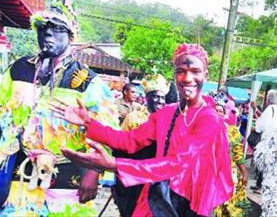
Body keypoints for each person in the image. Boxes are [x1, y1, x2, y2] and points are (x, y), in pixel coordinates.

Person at [51, 43, 233, 216]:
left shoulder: (209, 119)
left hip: (189, 203)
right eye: (181, 71)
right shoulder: (167, 113)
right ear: (174, 75)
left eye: (195, 71)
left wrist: (113, 165)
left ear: (205, 75)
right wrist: (89, 123)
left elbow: (177, 164)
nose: (187, 78)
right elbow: (129, 141)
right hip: (157, 196)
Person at [0, 0, 119, 215]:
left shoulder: (87, 81)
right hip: (21, 174)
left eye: (57, 28)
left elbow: (108, 130)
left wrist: (93, 172)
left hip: (67, 176)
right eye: (42, 27)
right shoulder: (19, 69)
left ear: (71, 35)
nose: (48, 33)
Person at [112, 74, 170, 217]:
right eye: (156, 97)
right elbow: (121, 146)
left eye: (162, 98)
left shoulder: (169, 120)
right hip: (135, 175)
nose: (160, 101)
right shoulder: (134, 117)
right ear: (147, 98)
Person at [214, 103, 249, 217]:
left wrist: (244, 172)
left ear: (224, 115)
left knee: (230, 210)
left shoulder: (232, 131)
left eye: (221, 111)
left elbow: (238, 154)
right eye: (215, 110)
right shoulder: (205, 130)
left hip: (230, 176)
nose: (218, 113)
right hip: (212, 176)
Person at [249, 89, 277, 192]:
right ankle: (260, 184)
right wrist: (255, 110)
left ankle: (261, 185)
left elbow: (261, 125)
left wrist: (254, 128)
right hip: (274, 139)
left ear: (268, 99)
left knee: (263, 161)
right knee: (266, 162)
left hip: (267, 139)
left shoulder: (270, 109)